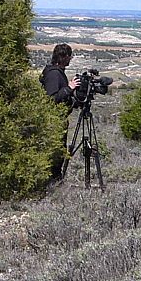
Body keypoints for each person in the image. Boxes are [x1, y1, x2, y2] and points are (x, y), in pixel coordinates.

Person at [40, 43, 80, 180]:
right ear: (63, 57)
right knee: (56, 154)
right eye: (69, 56)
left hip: (58, 120)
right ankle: (53, 181)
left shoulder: (56, 72)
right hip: (54, 121)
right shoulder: (54, 74)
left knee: (58, 153)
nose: (70, 59)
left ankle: (54, 179)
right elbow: (51, 99)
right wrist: (68, 88)